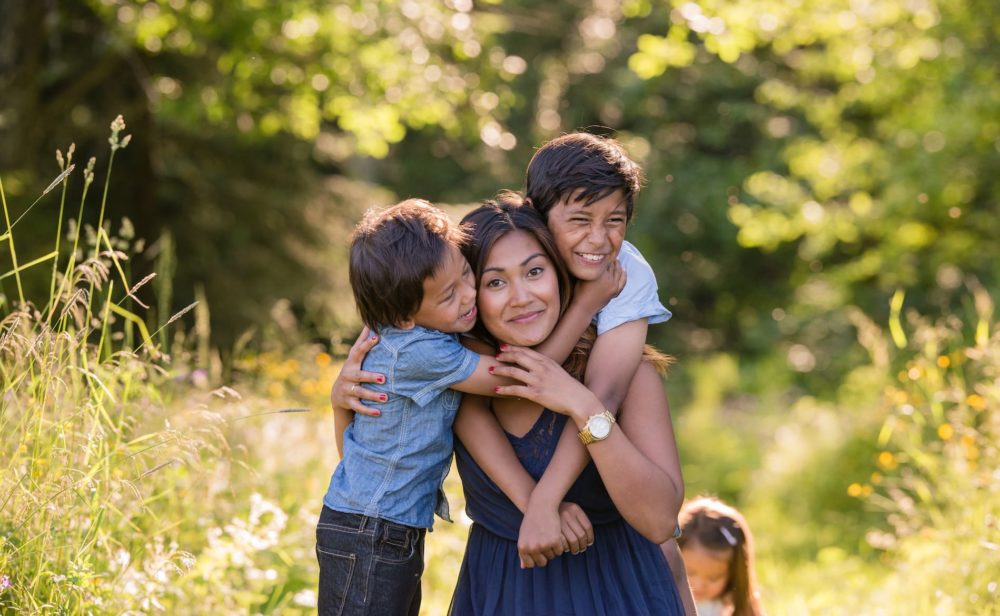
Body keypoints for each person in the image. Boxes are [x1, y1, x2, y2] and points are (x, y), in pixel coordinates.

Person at [332, 196, 686, 613]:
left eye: (535, 271)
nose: (521, 297)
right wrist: (339, 403)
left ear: (559, 274)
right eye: (495, 282)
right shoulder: (455, 382)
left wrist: (583, 405)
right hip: (499, 593)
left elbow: (661, 522)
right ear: (469, 293)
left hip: (614, 591)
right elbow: (365, 468)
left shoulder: (625, 373)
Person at [676, 496, 765, 616]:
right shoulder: (665, 599)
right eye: (690, 573)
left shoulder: (729, 607)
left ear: (733, 574)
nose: (699, 585)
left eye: (713, 578)